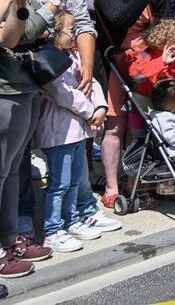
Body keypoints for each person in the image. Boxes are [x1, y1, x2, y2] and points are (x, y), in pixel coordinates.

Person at [93, 0, 170, 207]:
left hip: (151, 60)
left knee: (145, 124)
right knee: (115, 126)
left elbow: (166, 21)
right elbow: (119, 20)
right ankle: (112, 185)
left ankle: (140, 182)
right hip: (118, 62)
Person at [36, 13, 116, 254]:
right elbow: (63, 94)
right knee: (59, 184)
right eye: (70, 30)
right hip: (58, 133)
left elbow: (92, 83)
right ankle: (53, 229)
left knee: (73, 181)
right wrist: (90, 110)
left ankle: (73, 220)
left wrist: (101, 107)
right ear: (53, 32)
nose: (75, 36)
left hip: (77, 132)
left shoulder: (74, 57)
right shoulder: (47, 61)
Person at [0, 0, 53, 277]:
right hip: (6, 87)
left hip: (25, 84)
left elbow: (13, 35)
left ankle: (9, 242)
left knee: (9, 170)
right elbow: (28, 31)